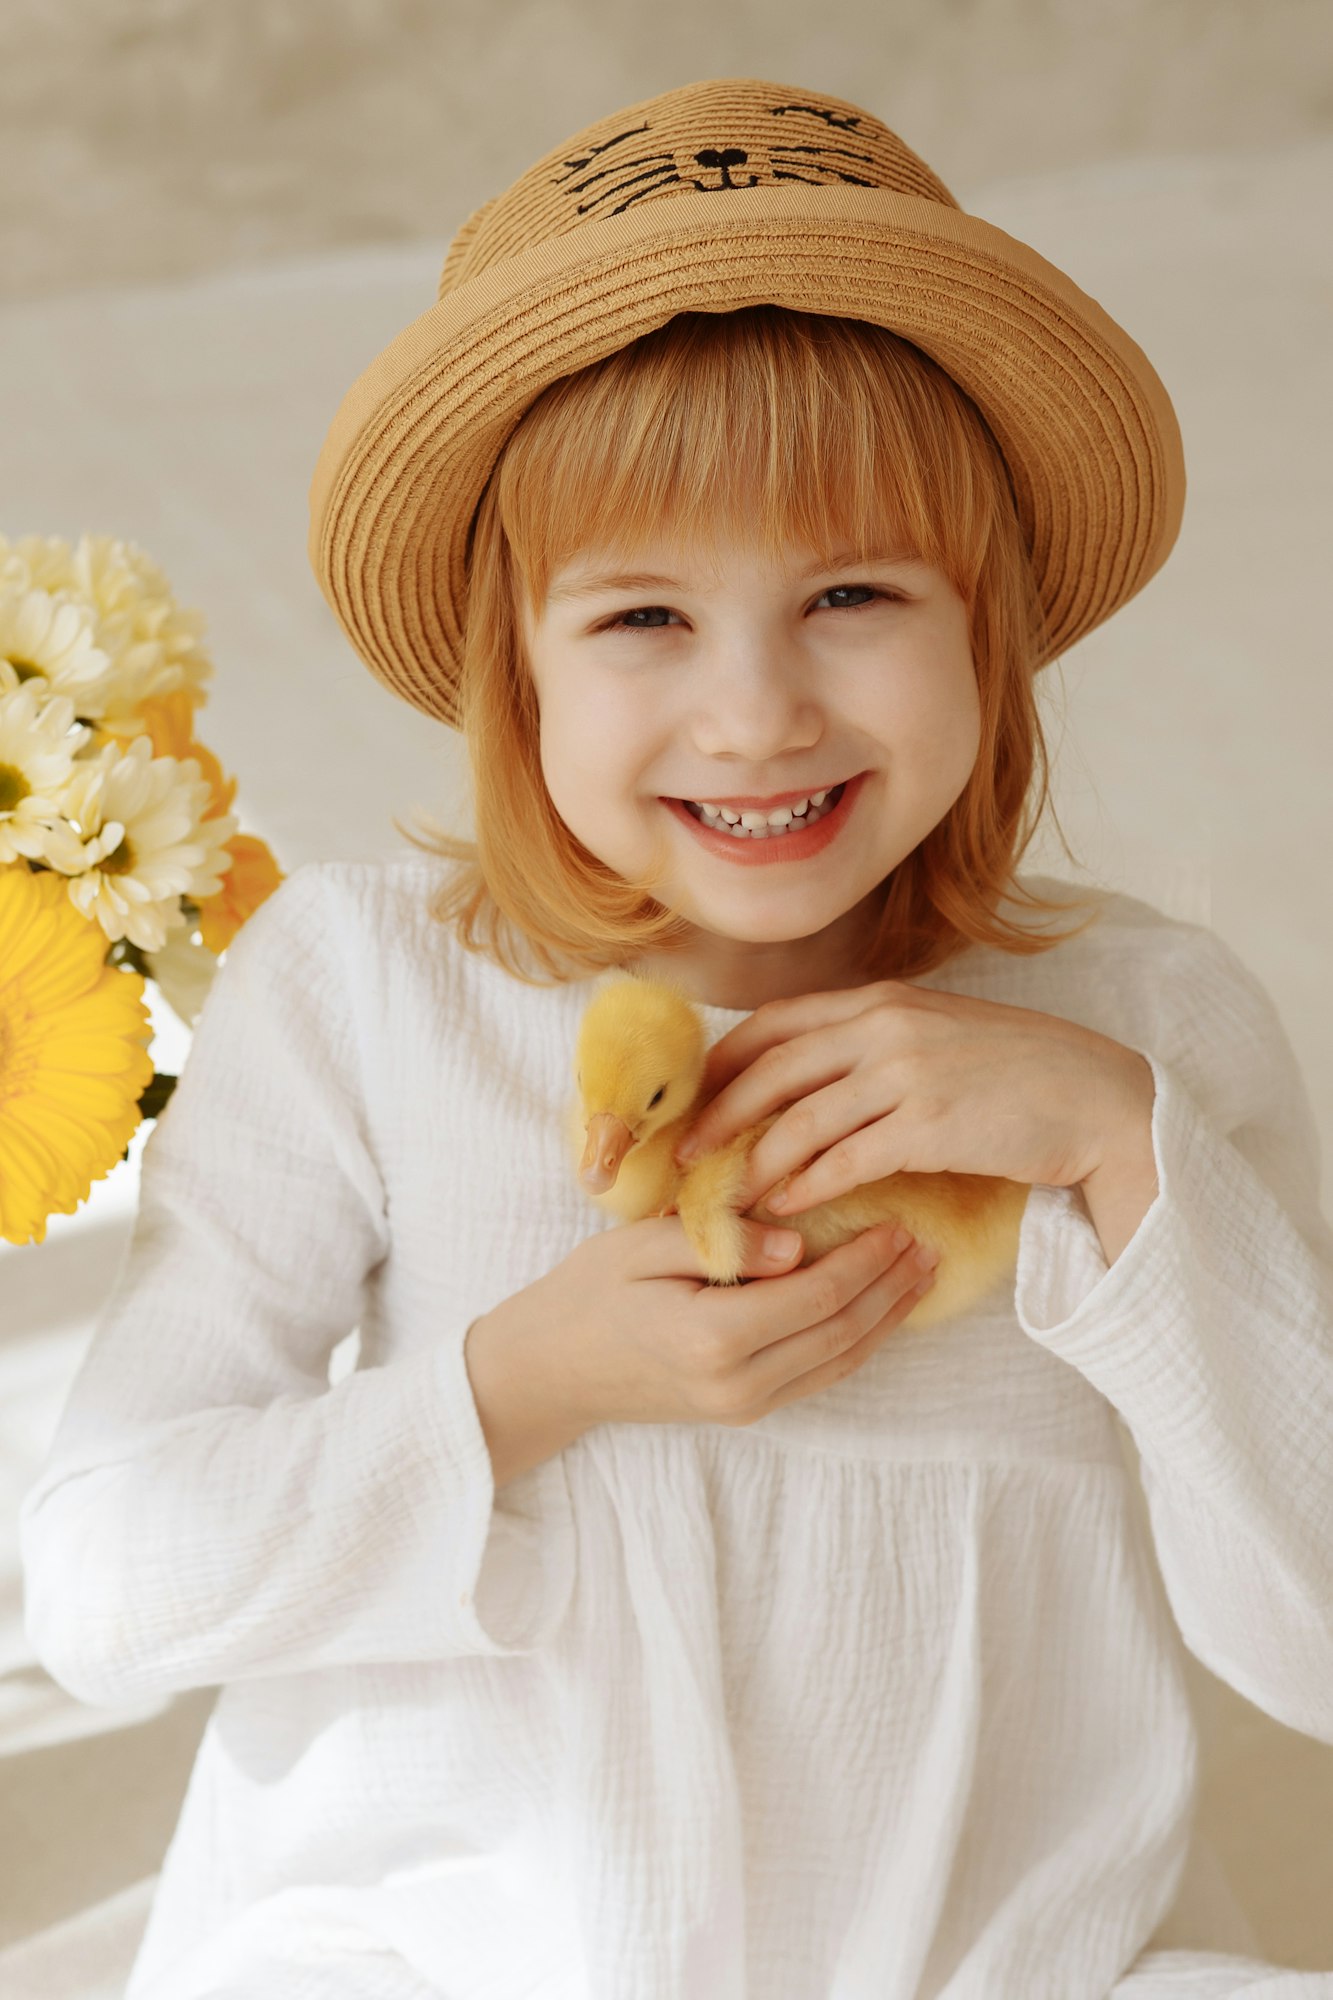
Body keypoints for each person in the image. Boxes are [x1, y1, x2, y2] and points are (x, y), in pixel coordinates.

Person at [19, 76, 1333, 2000]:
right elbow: (111, 1584)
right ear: (513, 667)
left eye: (852, 597)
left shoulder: (1138, 1030)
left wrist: (1122, 1154)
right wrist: (520, 1384)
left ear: (994, 631)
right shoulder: (373, 990)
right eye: (641, 617)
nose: (754, 716)